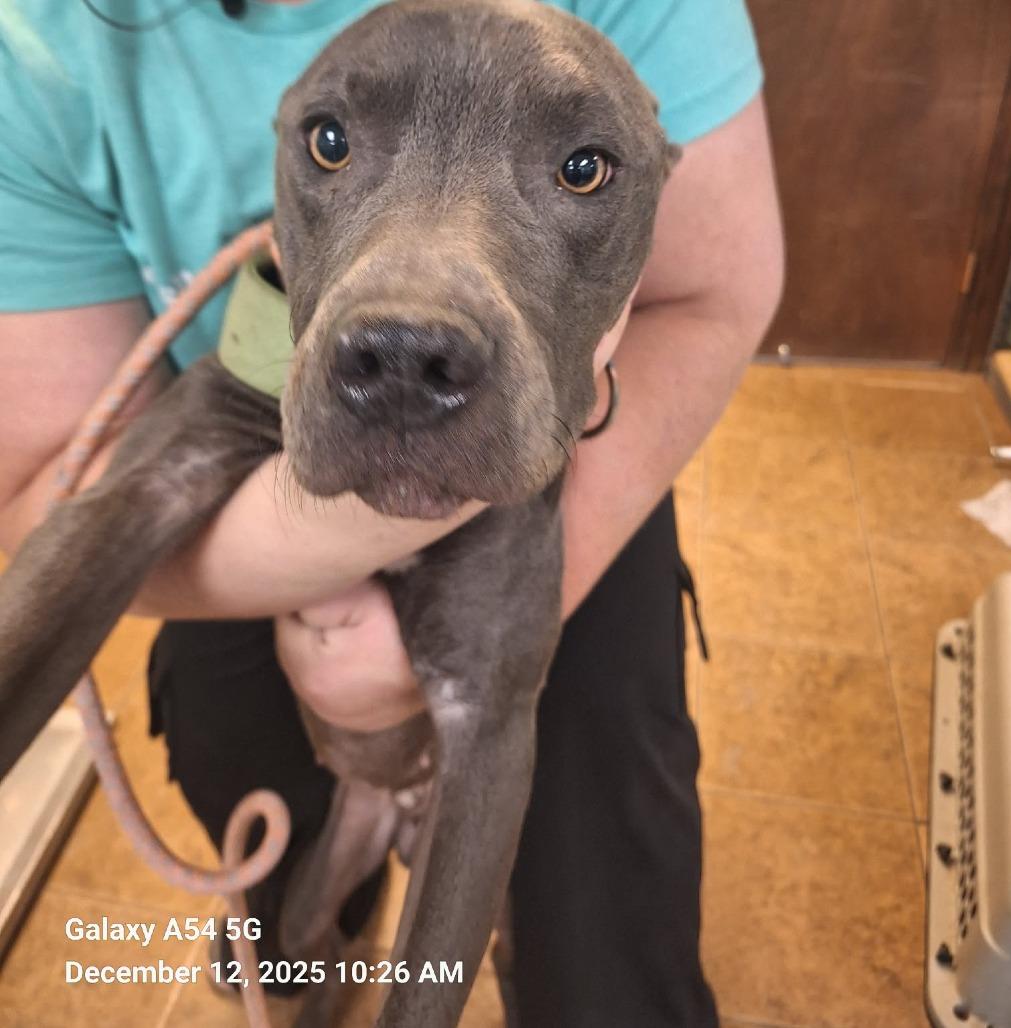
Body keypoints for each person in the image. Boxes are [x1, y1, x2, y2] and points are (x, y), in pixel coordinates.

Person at [0, 1, 783, 1024]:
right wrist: (327, 566)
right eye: (329, 144)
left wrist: (477, 652)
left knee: (604, 958)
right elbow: (53, 498)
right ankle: (310, 954)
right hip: (259, 469)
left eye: (580, 168)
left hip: (578, 457)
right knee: (271, 886)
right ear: (285, 144)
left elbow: (718, 293)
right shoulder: (41, 44)